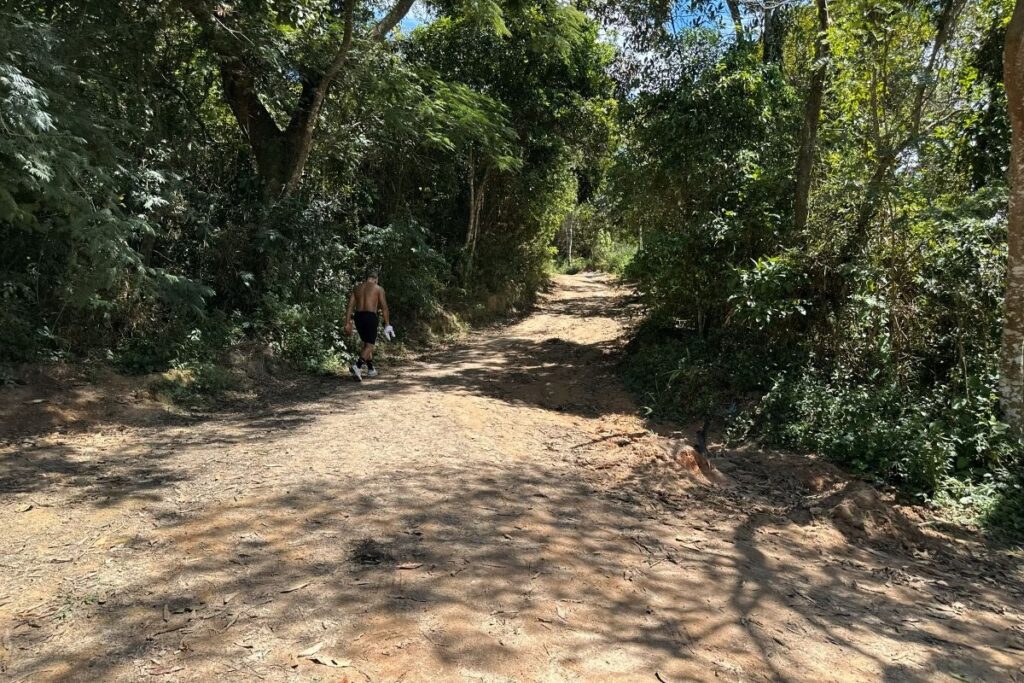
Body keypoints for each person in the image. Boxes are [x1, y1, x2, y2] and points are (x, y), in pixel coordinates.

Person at [344, 268, 394, 382]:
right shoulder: (378, 289)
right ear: (376, 280)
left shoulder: (357, 288)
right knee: (370, 345)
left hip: (358, 316)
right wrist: (387, 324)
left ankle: (371, 369)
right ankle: (357, 366)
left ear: (367, 278)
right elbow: (384, 307)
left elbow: (350, 306)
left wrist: (347, 322)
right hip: (370, 317)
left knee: (366, 343)